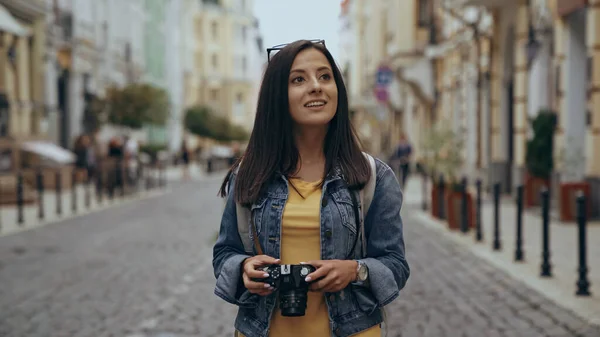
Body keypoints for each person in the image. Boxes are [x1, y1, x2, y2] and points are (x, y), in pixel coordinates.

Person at [212, 40, 409, 337]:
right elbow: (224, 253)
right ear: (278, 96)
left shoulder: (372, 176)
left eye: (325, 76)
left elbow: (395, 265)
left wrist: (354, 270)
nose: (316, 86)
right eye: (298, 79)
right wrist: (244, 269)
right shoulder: (250, 174)